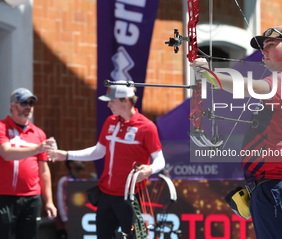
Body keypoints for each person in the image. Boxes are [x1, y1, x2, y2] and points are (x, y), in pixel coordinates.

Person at [194, 26, 282, 238]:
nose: (263, 51)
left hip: (276, 186)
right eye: (263, 47)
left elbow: (252, 87)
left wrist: (208, 74)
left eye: (270, 45)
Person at [50, 82, 165, 239]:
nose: (108, 104)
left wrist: (150, 169)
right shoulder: (110, 121)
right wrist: (67, 155)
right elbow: (99, 151)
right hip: (106, 194)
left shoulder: (147, 127)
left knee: (134, 236)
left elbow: (160, 160)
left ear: (126, 100)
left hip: (130, 197)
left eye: (112, 100)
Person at [0, 87, 57, 239]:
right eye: (24, 102)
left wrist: (49, 202)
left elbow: (44, 171)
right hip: (4, 196)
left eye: (31, 103)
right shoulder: (2, 127)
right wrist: (38, 148)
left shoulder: (39, 134)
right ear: (12, 105)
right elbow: (6, 153)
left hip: (32, 198)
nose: (28, 107)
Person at [55, 160, 86, 239]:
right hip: (66, 225)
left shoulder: (83, 181)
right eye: (78, 160)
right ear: (71, 164)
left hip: (81, 224)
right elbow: (60, 202)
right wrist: (66, 220)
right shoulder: (64, 181)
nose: (82, 162)